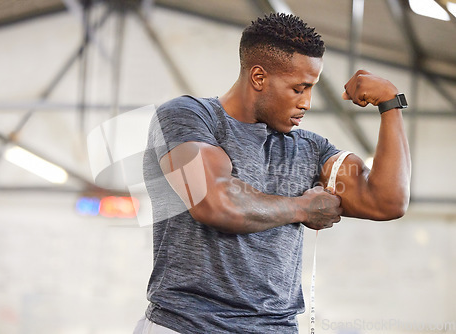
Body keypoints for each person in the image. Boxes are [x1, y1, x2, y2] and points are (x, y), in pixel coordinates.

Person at [135, 13, 411, 334]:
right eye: (299, 88)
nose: (307, 102)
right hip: (187, 326)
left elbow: (387, 201)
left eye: (311, 89)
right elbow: (216, 203)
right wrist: (303, 208)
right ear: (258, 78)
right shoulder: (191, 117)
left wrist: (391, 104)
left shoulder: (309, 148)